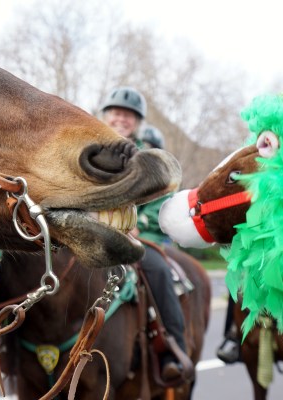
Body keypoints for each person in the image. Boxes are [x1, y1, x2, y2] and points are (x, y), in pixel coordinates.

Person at [100, 86, 189, 381]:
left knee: (159, 270)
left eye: (129, 115)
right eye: (116, 113)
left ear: (138, 123)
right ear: (106, 115)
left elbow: (161, 201)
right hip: (89, 233)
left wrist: (140, 224)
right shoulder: (88, 148)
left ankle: (172, 350)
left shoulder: (148, 158)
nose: (121, 119)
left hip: (135, 237)